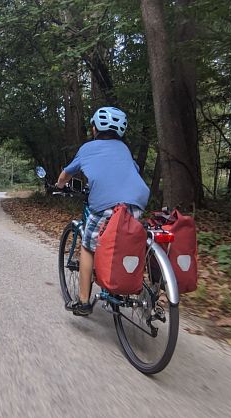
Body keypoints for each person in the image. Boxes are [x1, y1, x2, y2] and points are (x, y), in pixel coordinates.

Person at [55, 106, 150, 316]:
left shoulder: (88, 148)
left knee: (88, 247)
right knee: (126, 239)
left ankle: (83, 302)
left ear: (95, 128)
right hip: (136, 203)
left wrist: (59, 186)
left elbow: (65, 174)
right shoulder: (124, 149)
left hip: (106, 205)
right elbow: (134, 170)